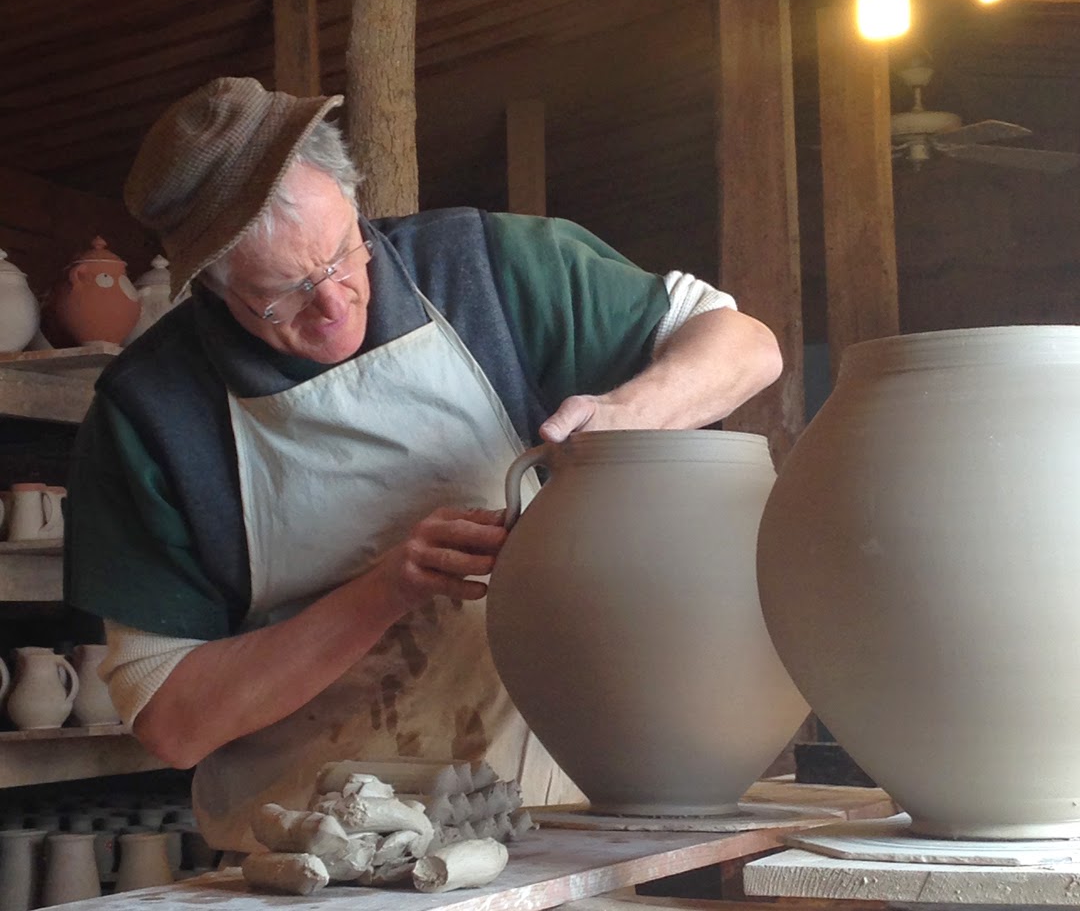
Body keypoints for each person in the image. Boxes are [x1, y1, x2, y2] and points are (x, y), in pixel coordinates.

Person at [65, 77, 783, 852]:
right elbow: (173, 722)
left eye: (342, 255)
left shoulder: (486, 270)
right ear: (211, 284)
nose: (333, 304)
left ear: (353, 203)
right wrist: (387, 590)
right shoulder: (151, 415)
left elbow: (746, 347)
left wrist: (627, 417)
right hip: (315, 856)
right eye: (284, 294)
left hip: (551, 824)